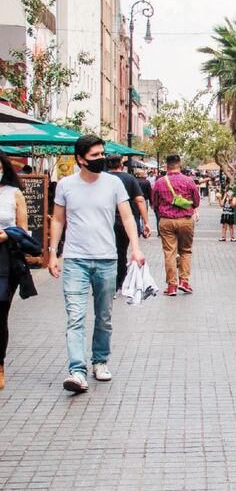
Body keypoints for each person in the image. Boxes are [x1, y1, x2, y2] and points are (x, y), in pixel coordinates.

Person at [48, 135, 145, 393]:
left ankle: (100, 361)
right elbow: (58, 220)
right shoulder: (66, 185)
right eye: (95, 155)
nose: (101, 158)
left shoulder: (114, 183)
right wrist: (53, 253)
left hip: (106, 259)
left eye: (102, 153)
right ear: (80, 159)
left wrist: (135, 248)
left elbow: (127, 217)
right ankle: (77, 371)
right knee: (75, 317)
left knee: (104, 316)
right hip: (75, 260)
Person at [152, 154, 200, 297]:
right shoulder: (189, 181)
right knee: (186, 251)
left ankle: (171, 286)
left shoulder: (160, 182)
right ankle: (184, 282)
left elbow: (154, 202)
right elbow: (196, 201)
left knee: (169, 253)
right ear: (180, 164)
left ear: (166, 165)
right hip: (185, 220)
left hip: (166, 220)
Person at [0, 152, 28, 389]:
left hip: (5, 259)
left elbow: (23, 231)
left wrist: (6, 235)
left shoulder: (14, 193)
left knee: (0, 314)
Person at [106, 155, 151, 292]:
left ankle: (108, 281)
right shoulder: (129, 178)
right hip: (123, 221)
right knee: (121, 251)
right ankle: (120, 281)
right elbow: (139, 200)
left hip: (105, 221)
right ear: (121, 164)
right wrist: (146, 222)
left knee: (106, 251)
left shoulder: (102, 178)